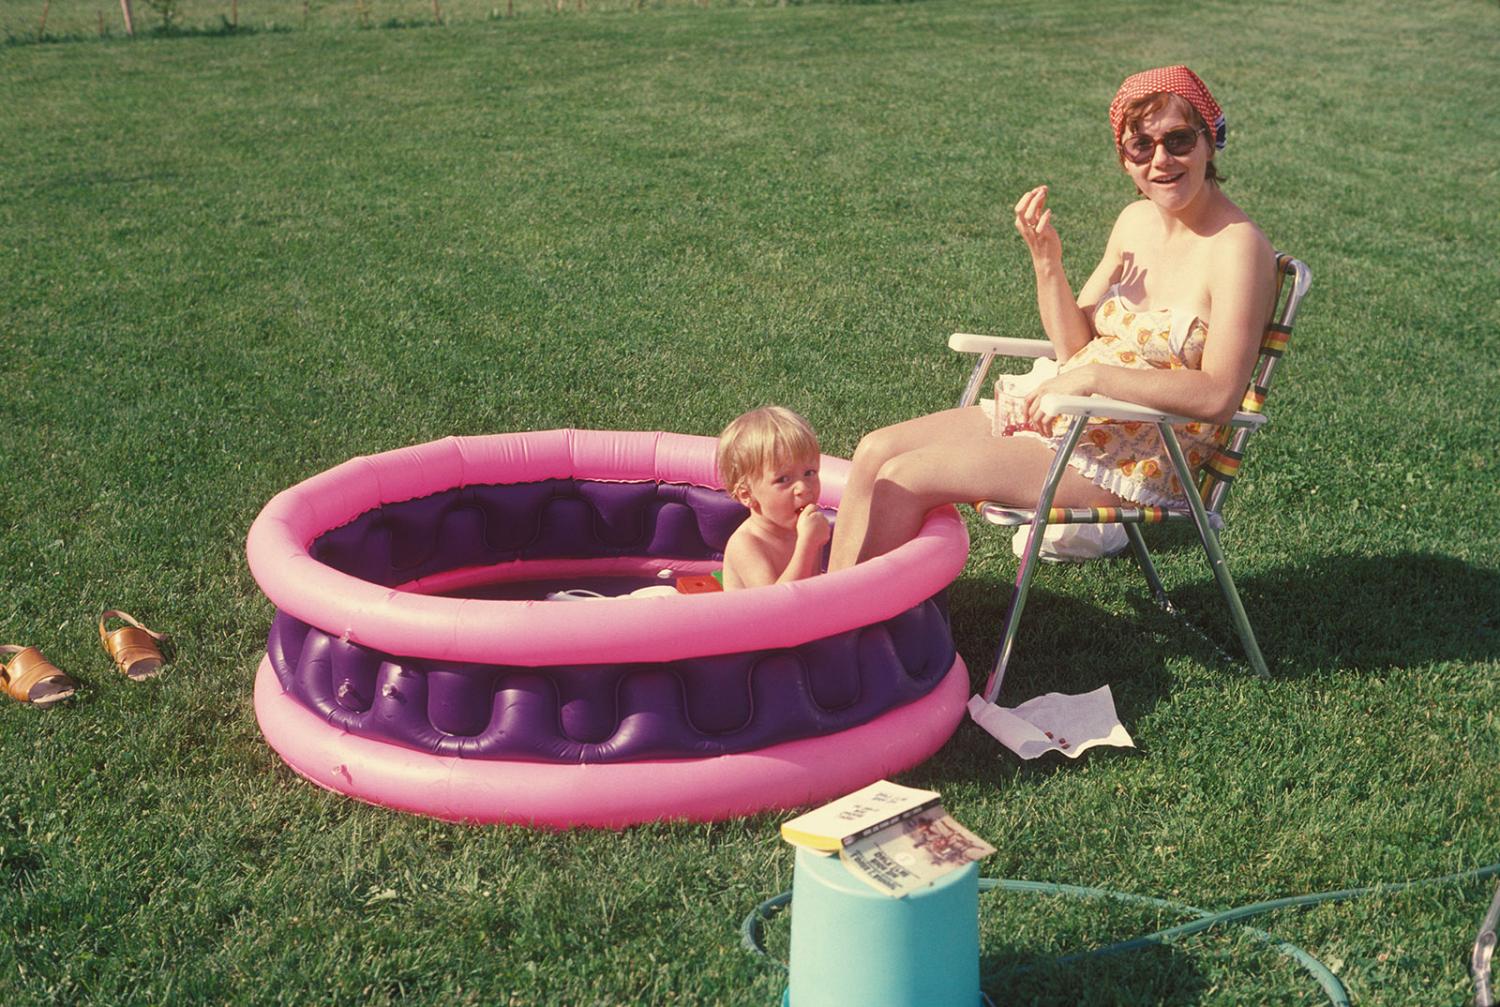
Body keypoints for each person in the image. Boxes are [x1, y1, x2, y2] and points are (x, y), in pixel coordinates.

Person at [828, 65, 1276, 571]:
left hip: (1137, 457)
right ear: (1123, 159)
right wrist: (1047, 263)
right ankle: (821, 606)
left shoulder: (1237, 249)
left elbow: (1218, 395)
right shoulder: (1135, 221)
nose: (1161, 160)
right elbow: (1074, 344)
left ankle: (851, 627)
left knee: (907, 476)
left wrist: (1094, 377)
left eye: (1178, 140)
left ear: (1209, 142)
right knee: (873, 452)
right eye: (1141, 147)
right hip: (1068, 415)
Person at [717, 406, 832, 590]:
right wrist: (807, 546)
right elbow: (777, 608)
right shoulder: (747, 544)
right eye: (783, 479)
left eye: (809, 472)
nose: (803, 488)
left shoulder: (807, 529)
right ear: (747, 495)